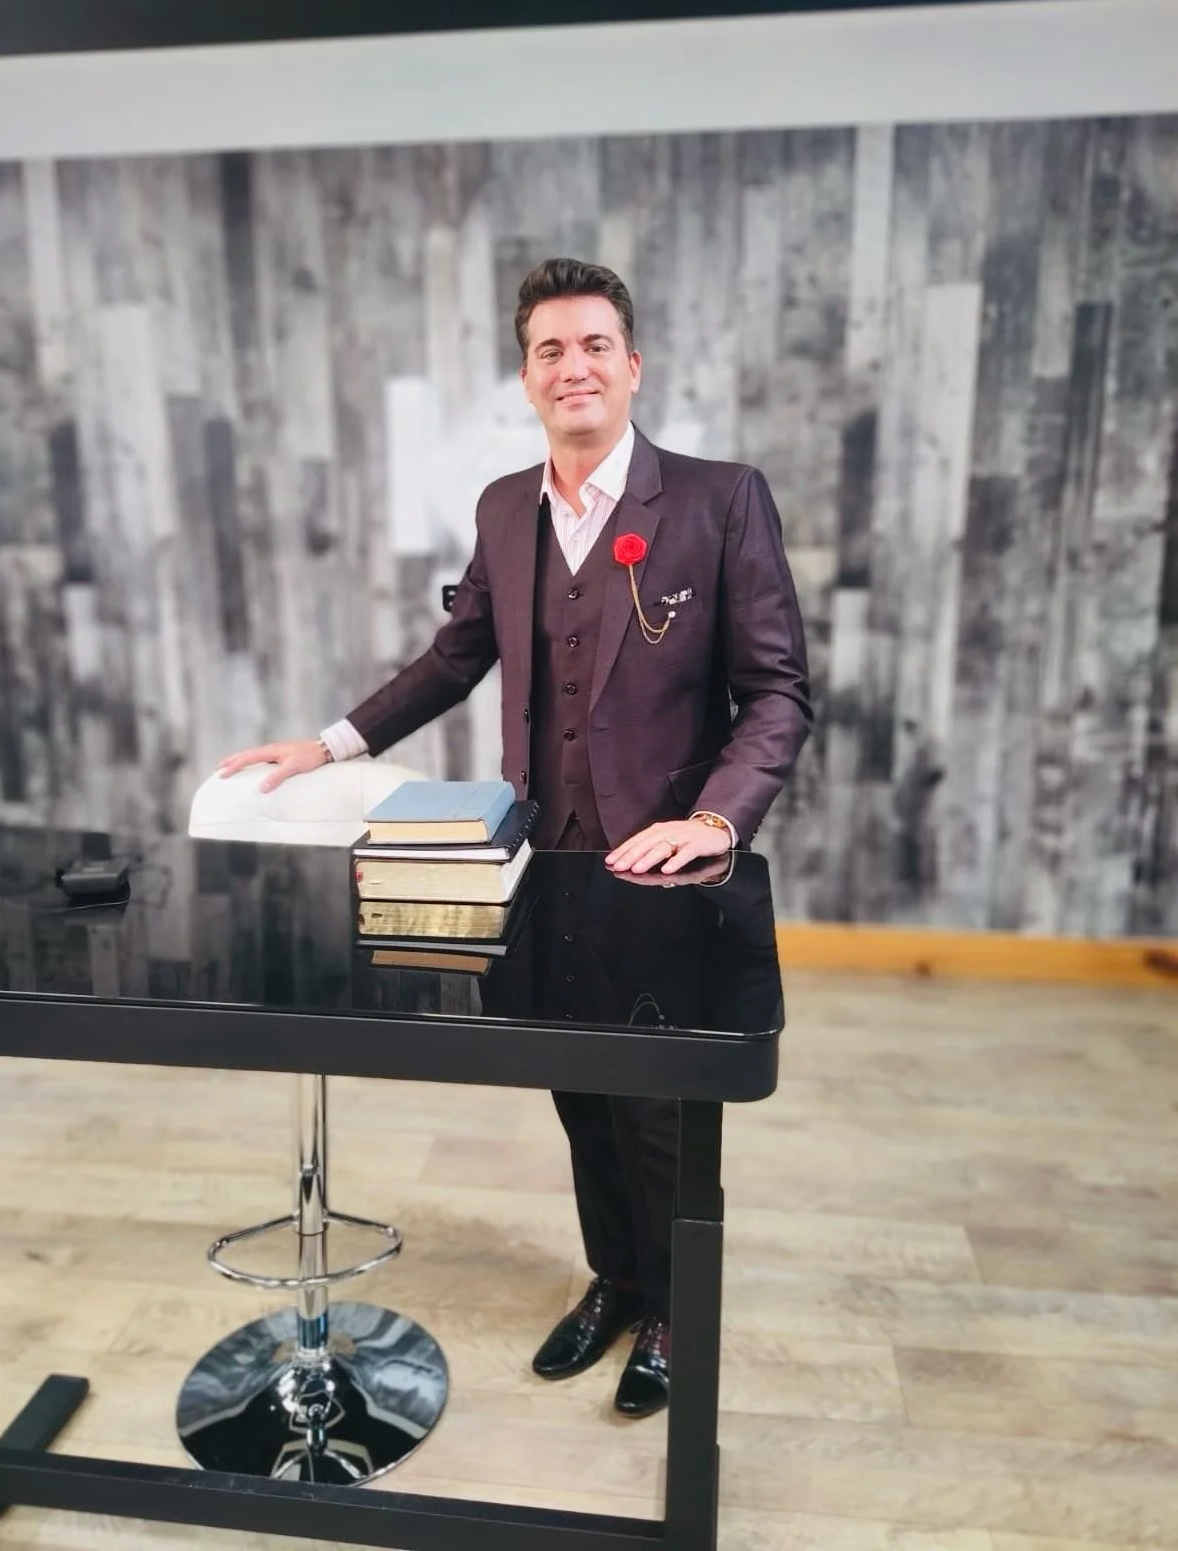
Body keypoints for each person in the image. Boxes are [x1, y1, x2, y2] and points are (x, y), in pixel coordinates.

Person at [219, 257, 813, 1417]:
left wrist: (713, 819)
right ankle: (617, 1279)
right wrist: (328, 744)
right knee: (576, 1088)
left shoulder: (720, 499)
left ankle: (674, 1309)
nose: (572, 365)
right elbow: (455, 659)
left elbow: (778, 693)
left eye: (594, 345)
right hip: (545, 860)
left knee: (657, 1108)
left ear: (632, 367)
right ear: (528, 376)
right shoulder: (506, 507)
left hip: (666, 865)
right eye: (550, 349)